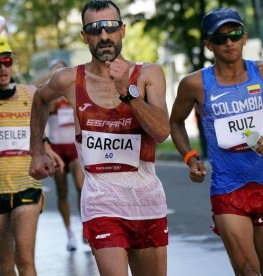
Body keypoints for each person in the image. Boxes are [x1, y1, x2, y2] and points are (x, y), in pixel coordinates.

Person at [29, 1, 170, 275]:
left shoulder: (148, 74)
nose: (104, 36)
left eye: (110, 27)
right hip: (101, 202)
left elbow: (162, 132)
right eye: (95, 29)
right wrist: (37, 150)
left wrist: (127, 93)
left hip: (147, 201)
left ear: (123, 31)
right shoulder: (69, 80)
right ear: (84, 36)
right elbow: (39, 99)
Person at [169, 8, 263, 276]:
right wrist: (190, 158)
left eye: (234, 34)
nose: (229, 42)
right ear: (208, 45)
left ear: (244, 37)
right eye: (220, 38)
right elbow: (175, 123)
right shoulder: (194, 84)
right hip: (227, 190)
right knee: (247, 272)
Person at [0, 18, 63, 276]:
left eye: (8, 62)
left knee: (25, 262)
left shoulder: (29, 93)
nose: (4, 69)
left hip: (26, 185)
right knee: (5, 267)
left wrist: (46, 145)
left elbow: (37, 127)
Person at [36, 59, 85, 251]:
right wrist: (53, 75)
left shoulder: (74, 91)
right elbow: (35, 89)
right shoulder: (49, 96)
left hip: (74, 147)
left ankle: (85, 227)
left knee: (82, 187)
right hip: (56, 148)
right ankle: (69, 233)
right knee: (62, 191)